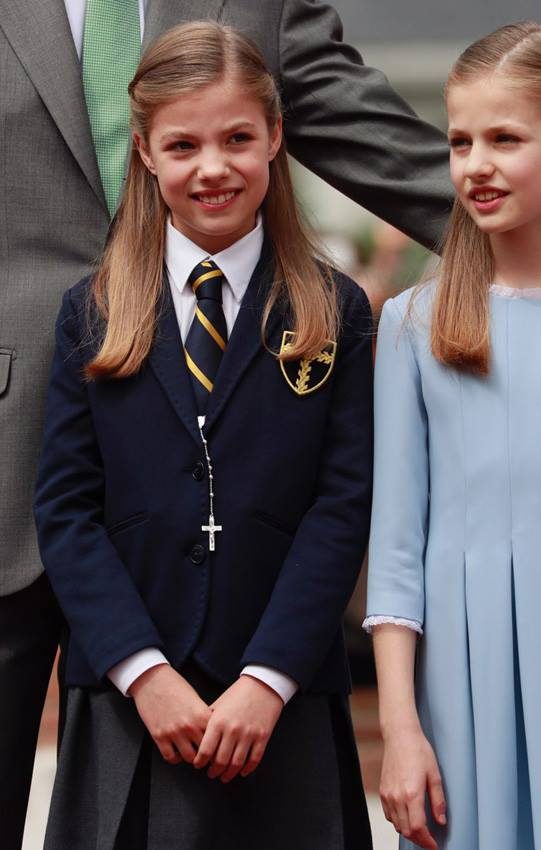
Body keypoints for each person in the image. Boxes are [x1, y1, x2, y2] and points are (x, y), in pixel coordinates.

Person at [1, 2, 452, 846]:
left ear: (276, 136)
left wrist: (270, 675)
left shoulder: (333, 311)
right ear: (145, 152)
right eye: (182, 146)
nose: (213, 167)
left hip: (279, 687)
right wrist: (143, 672)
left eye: (238, 139)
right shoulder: (88, 315)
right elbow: (66, 509)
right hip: (131, 684)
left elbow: (341, 505)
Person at [364, 20, 541, 850]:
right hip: (463, 696)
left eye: (504, 138)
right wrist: (400, 731)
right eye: (459, 141)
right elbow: (395, 553)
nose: (474, 165)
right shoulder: (412, 327)